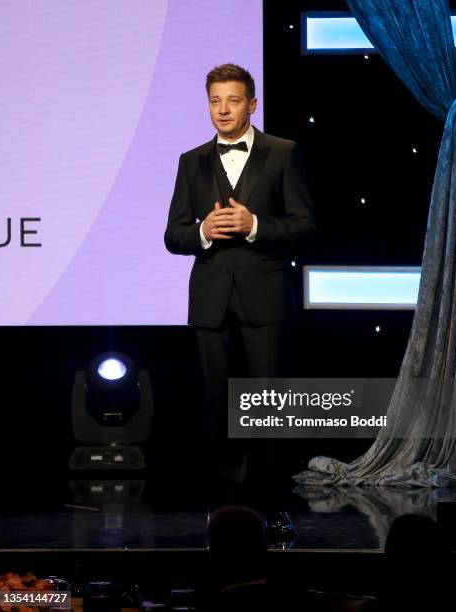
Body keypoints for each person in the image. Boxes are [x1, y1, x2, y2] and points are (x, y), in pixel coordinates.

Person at [164, 63, 316, 500]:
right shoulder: (190, 161)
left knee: (266, 402)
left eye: (232, 100)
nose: (223, 110)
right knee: (218, 402)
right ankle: (227, 503)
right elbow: (173, 235)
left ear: (252, 104)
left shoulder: (283, 152)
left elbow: (306, 226)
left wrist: (254, 226)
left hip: (264, 296)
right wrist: (201, 233)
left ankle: (269, 498)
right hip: (210, 301)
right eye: (215, 101)